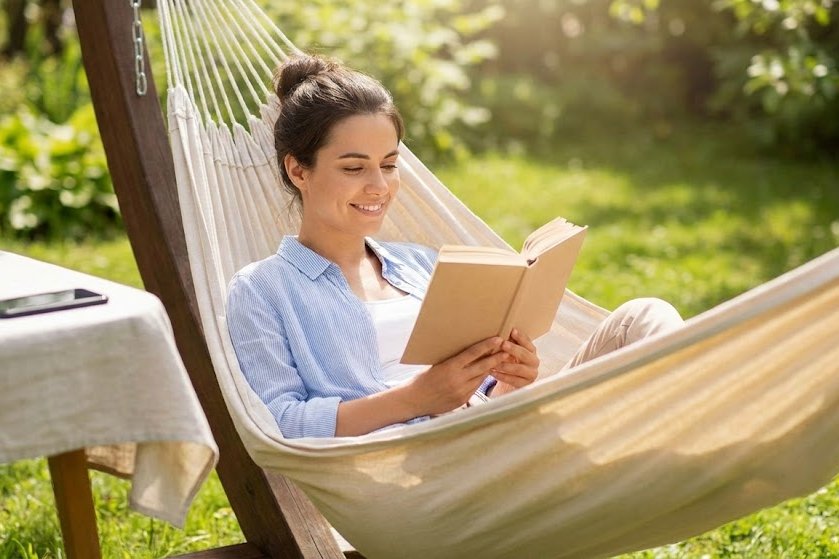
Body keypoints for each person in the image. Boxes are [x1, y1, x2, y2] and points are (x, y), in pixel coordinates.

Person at [226, 54, 684, 439]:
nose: (378, 186)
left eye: (388, 165)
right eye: (354, 168)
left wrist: (512, 380)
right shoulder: (263, 290)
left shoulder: (421, 265)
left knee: (645, 317)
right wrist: (416, 399)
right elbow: (278, 424)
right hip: (416, 469)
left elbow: (483, 397)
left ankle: (694, 428)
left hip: (493, 433)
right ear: (298, 171)